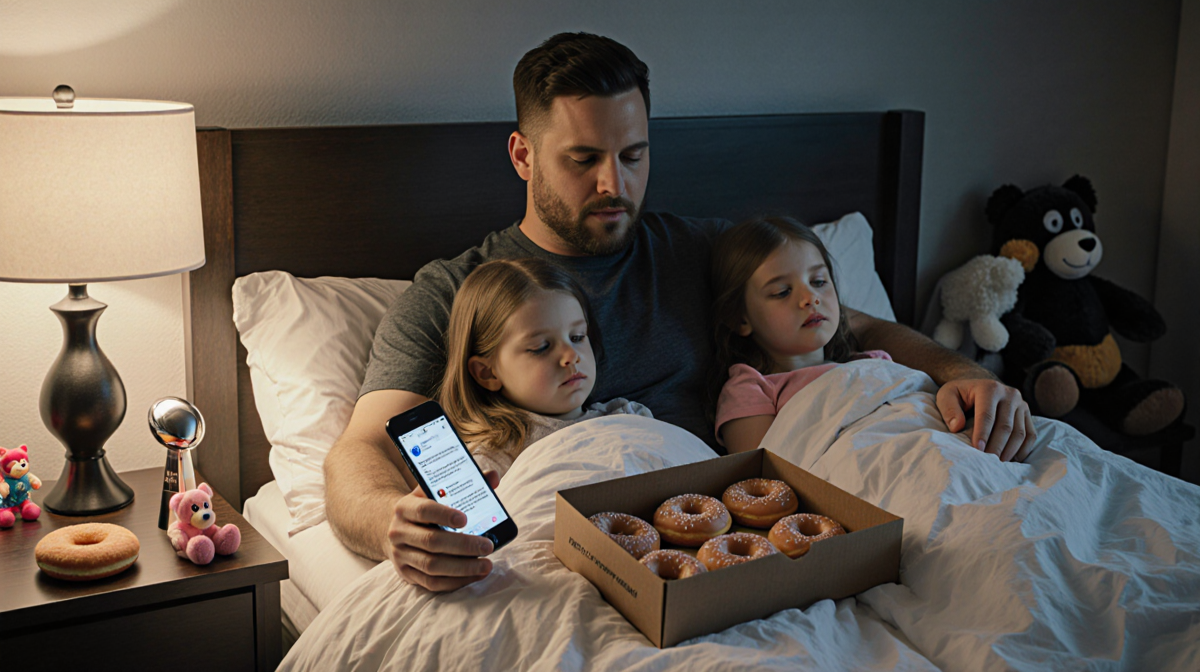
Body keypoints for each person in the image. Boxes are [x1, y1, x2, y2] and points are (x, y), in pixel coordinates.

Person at [324, 32, 1036, 592]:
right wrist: (393, 522)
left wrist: (956, 372)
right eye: (583, 160)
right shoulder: (456, 290)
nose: (615, 183)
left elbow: (852, 327)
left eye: (634, 155)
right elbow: (365, 447)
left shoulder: (703, 251)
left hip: (726, 534)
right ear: (522, 155)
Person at [709, 217, 1036, 461]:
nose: (810, 298)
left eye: (820, 281)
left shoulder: (873, 361)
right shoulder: (751, 388)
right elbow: (762, 480)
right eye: (782, 291)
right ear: (741, 319)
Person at [440, 258, 652, 480]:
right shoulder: (494, 457)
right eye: (541, 348)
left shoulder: (631, 419)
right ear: (488, 372)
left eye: (577, 337)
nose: (571, 356)